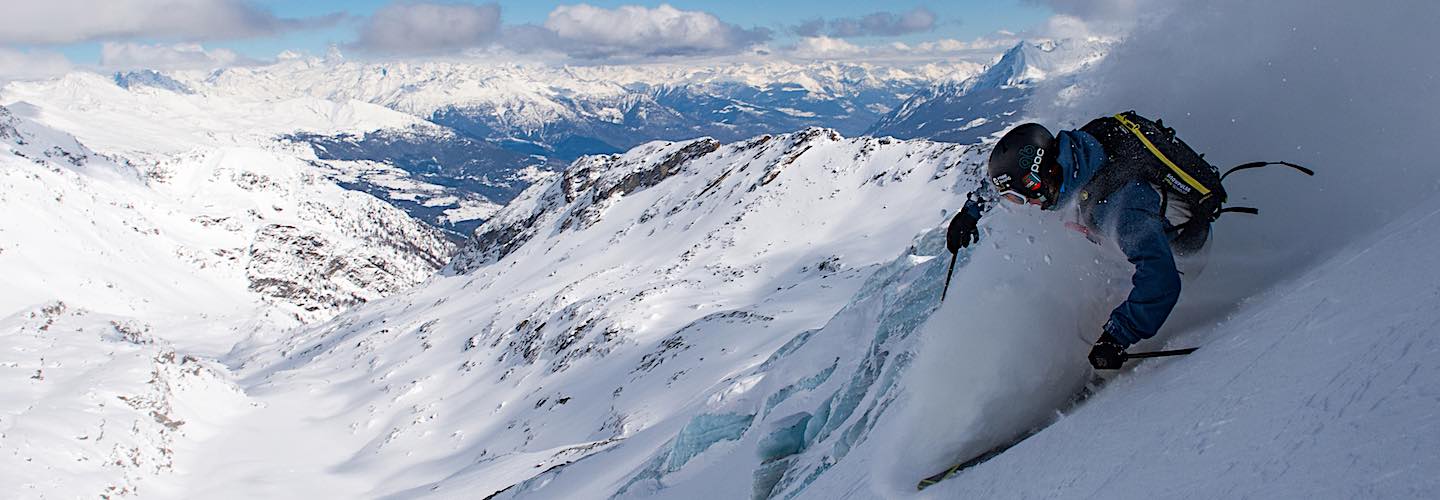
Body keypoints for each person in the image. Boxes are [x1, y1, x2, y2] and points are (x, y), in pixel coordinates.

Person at [946, 120, 1198, 370]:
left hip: (1180, 257)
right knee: (1085, 315)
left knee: (1091, 324)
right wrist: (970, 213)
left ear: (1039, 178)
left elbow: (1161, 278)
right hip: (1139, 250)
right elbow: (1011, 176)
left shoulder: (1122, 206)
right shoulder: (1077, 156)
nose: (1029, 204)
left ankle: (1109, 375)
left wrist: (1116, 338)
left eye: (1023, 196)